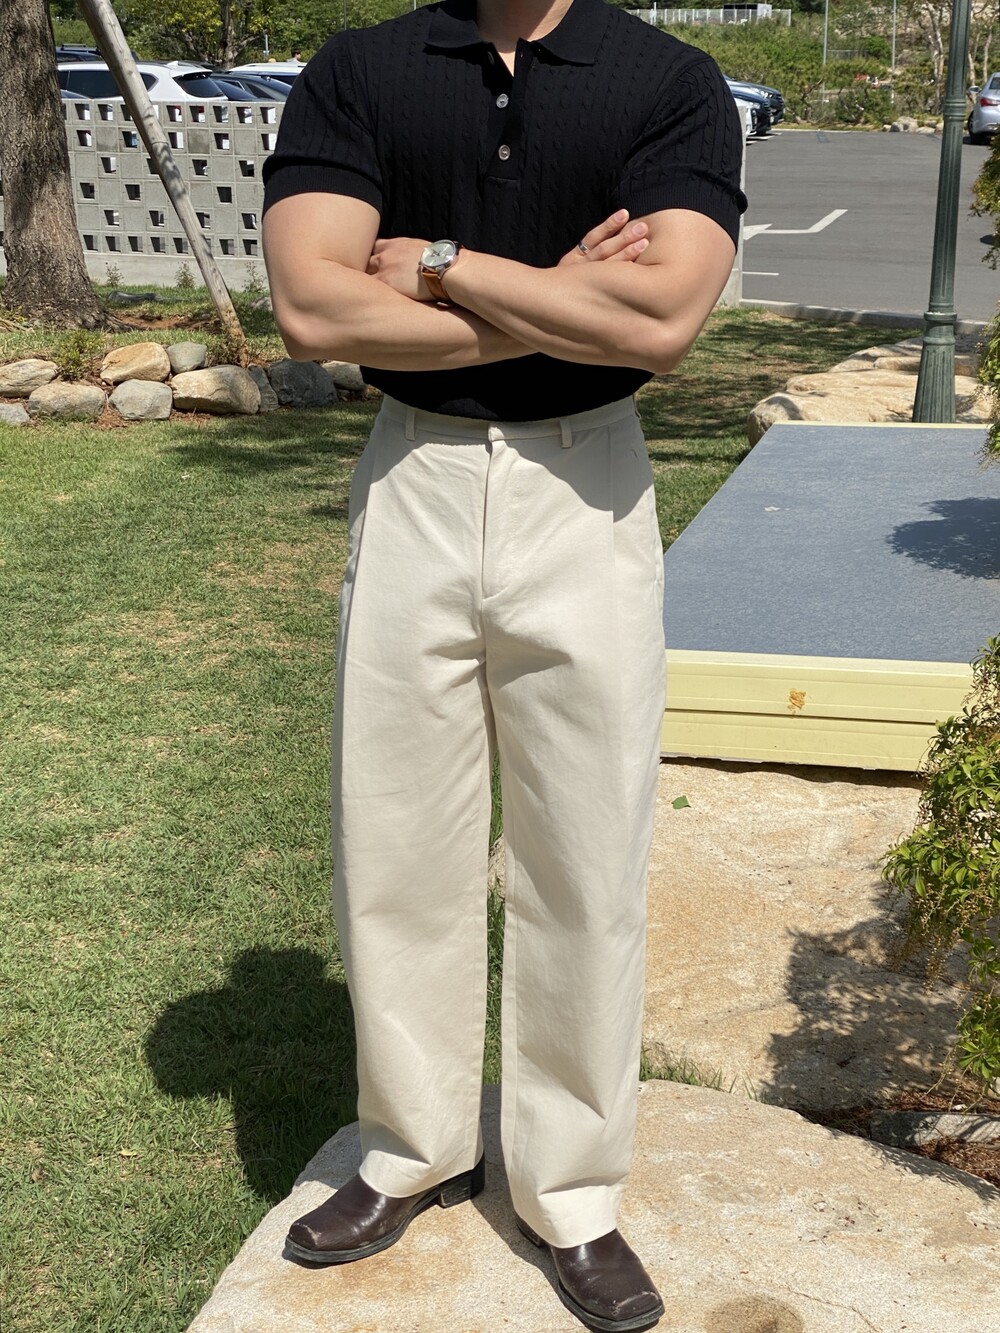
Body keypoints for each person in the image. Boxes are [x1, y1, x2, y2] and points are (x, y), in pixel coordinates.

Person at [261, 0, 745, 1326]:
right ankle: (409, 1148)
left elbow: (660, 321)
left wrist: (440, 264)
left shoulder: (667, 80)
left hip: (586, 490)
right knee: (396, 835)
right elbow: (312, 304)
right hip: (414, 472)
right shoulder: (366, 69)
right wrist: (557, 298)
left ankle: (571, 1189)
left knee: (586, 851)